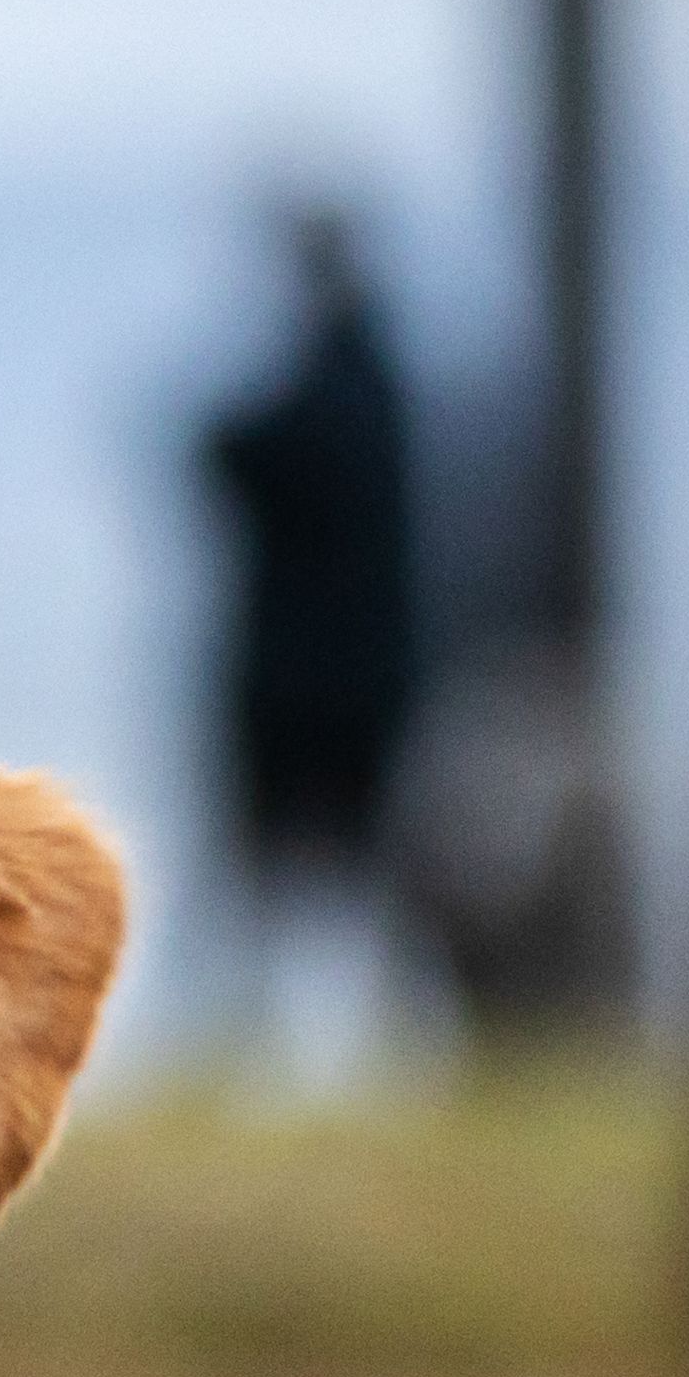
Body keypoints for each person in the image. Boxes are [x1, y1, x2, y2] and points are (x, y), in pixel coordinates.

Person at [189, 201, 424, 1074]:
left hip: (305, 679)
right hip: (358, 674)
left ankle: (289, 1030)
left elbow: (235, 453)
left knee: (285, 859)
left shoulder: (341, 386)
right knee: (352, 862)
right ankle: (301, 1032)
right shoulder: (374, 381)